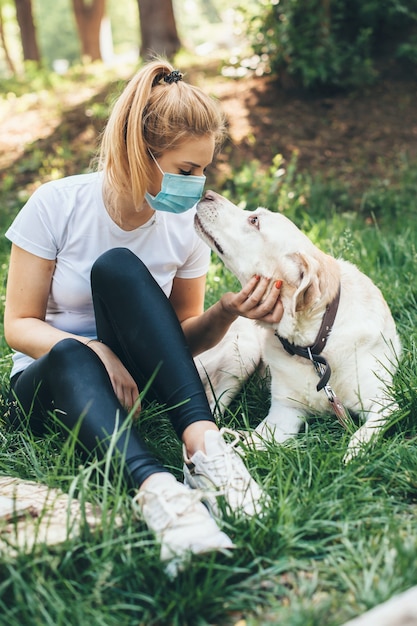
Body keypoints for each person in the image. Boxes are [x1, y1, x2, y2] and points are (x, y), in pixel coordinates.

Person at [4, 59, 283, 571]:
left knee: (117, 269)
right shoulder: (56, 205)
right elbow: (17, 326)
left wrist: (225, 312)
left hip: (135, 380)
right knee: (71, 353)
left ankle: (206, 452)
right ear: (140, 153)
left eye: (203, 170)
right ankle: (161, 494)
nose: (197, 186)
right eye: (186, 170)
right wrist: (94, 348)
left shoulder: (181, 226)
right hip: (51, 379)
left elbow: (174, 340)